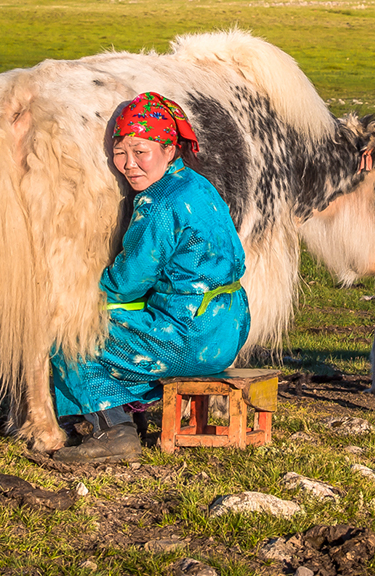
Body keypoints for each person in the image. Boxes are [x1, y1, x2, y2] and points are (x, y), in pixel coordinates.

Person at [47, 91, 250, 463]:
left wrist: (81, 295)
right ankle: (129, 415)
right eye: (120, 153)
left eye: (141, 151)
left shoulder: (157, 203)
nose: (128, 164)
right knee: (127, 331)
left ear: (170, 149)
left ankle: (114, 433)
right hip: (228, 327)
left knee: (70, 339)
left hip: (189, 337)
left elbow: (128, 280)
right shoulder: (197, 185)